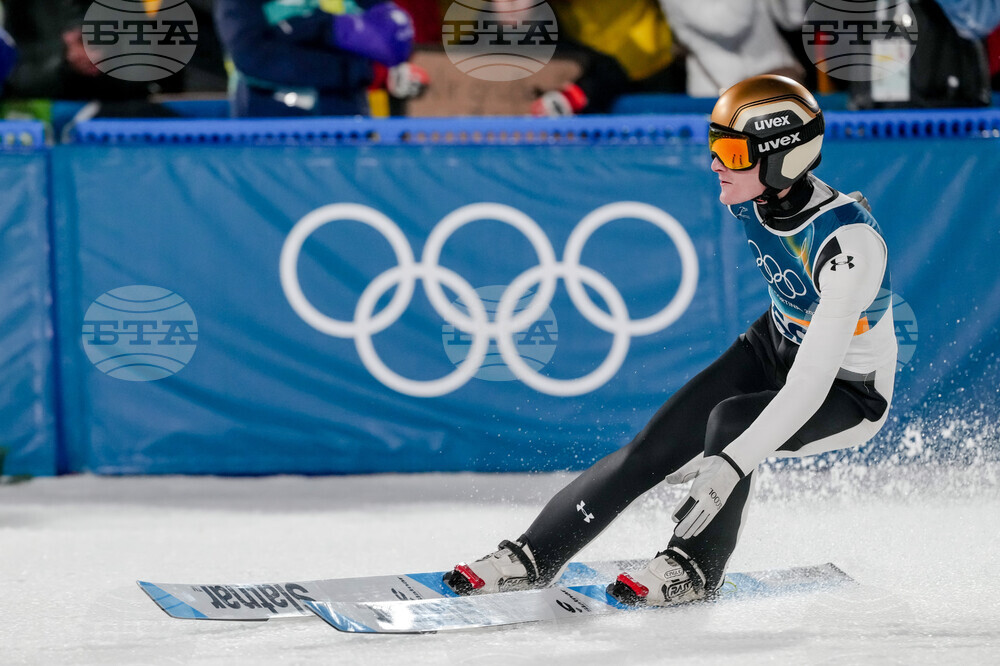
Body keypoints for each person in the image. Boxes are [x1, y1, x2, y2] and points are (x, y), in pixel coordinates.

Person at [444, 75, 898, 606]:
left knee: (729, 425)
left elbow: (811, 385)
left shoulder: (849, 247)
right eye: (714, 148)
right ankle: (532, 556)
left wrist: (730, 465)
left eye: (730, 152)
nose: (715, 165)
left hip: (847, 392)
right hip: (776, 342)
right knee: (652, 448)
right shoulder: (753, 196)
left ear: (782, 161)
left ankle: (694, 566)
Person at [213, 0, 415, 117]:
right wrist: (362, 71)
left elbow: (392, 35)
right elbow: (252, 57)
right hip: (269, 128)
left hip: (346, 122)